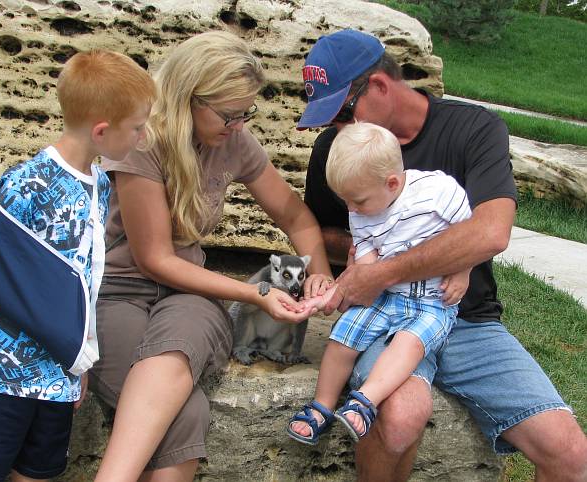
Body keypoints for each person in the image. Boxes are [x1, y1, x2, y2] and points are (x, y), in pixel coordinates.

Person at [298, 29, 587, 481]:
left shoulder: (474, 129)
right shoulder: (336, 150)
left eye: (341, 114)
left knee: (571, 456)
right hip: (387, 316)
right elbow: (320, 231)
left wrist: (388, 266)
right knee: (397, 421)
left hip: (467, 319)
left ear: (377, 85)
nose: (335, 130)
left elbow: (491, 232)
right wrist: (357, 255)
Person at [88, 30, 332, 482]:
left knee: (178, 349)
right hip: (119, 291)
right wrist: (256, 292)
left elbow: (295, 216)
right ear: (189, 98)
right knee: (186, 416)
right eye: (229, 114)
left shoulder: (233, 139)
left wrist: (317, 273)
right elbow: (155, 260)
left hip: (189, 293)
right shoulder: (143, 142)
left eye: (246, 114)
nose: (238, 125)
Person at [0, 50, 155, 482]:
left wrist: (78, 362)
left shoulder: (98, 183)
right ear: (101, 131)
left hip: (55, 373)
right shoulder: (29, 183)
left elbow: (86, 279)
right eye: (137, 127)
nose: (143, 135)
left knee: (39, 472)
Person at [287, 121, 471, 445]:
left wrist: (463, 269)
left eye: (357, 201)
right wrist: (336, 294)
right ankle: (322, 406)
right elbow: (368, 269)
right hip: (385, 296)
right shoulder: (360, 210)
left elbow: (472, 234)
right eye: (346, 201)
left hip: (432, 300)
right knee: (342, 338)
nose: (351, 210)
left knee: (409, 344)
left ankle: (365, 401)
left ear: (392, 182)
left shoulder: (437, 193)